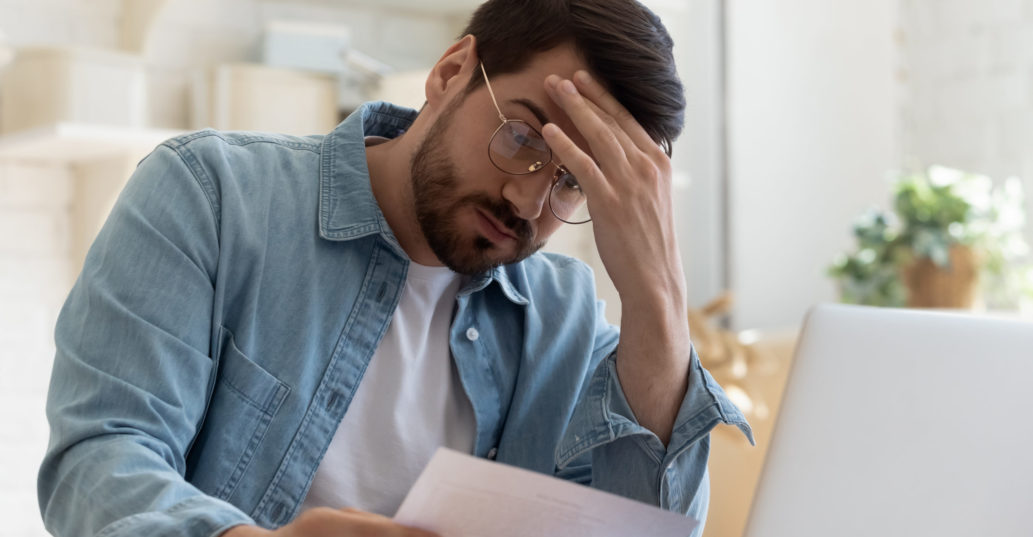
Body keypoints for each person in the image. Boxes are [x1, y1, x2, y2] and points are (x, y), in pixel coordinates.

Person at [37, 0, 753, 536]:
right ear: (448, 74)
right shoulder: (213, 196)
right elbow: (99, 460)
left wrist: (657, 297)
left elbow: (633, 525)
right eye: (522, 136)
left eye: (572, 181)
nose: (526, 196)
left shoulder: (562, 314)